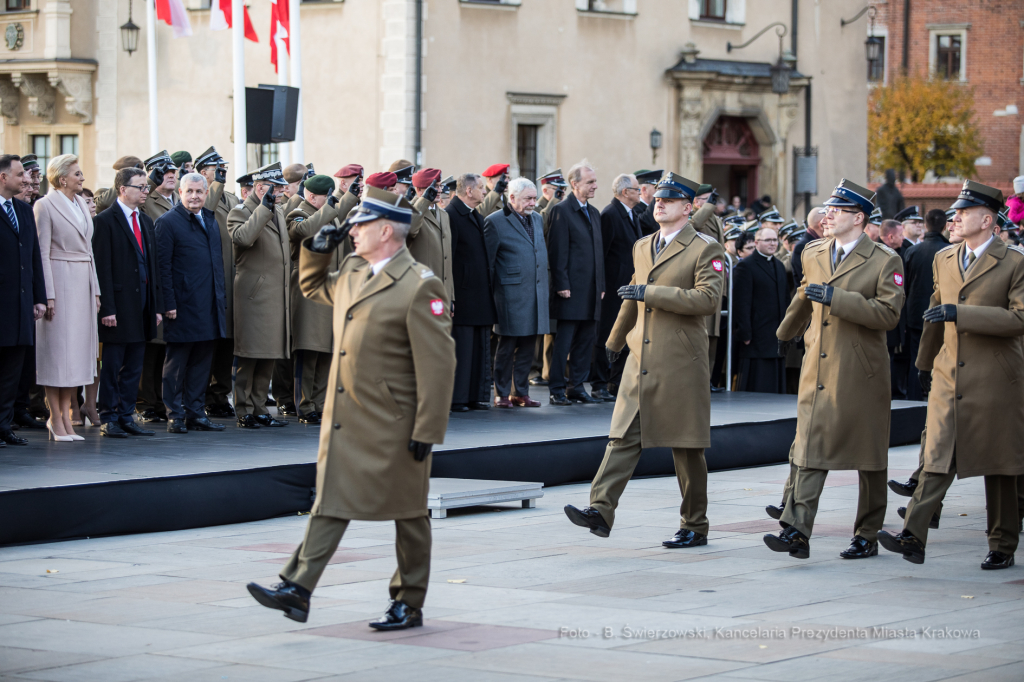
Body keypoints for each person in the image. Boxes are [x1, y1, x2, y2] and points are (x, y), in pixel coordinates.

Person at [246, 188, 456, 629]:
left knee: (409, 514)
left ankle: (408, 601)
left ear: (385, 231)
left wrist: (429, 429)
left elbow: (439, 365)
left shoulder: (420, 284)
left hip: (395, 423)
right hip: (347, 419)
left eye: (360, 226)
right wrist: (316, 253)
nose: (352, 232)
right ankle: (296, 588)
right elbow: (312, 287)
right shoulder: (354, 271)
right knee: (331, 502)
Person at [563, 172, 725, 547]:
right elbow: (632, 297)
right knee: (621, 438)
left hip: (681, 360)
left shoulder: (705, 248)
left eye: (668, 201)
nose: (659, 204)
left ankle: (694, 524)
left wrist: (653, 292)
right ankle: (600, 510)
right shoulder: (642, 245)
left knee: (686, 448)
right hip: (642, 357)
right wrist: (615, 339)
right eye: (658, 200)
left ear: (688, 208)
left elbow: (707, 300)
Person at [879, 180, 1024, 570]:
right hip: (948, 375)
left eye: (963, 212)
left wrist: (964, 315)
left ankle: (1002, 543)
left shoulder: (1014, 262)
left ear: (988, 219)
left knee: (999, 465)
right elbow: (933, 314)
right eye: (955, 212)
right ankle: (913, 534)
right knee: (936, 455)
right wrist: (925, 365)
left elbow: (1020, 318)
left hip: (995, 379)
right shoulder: (944, 258)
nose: (954, 217)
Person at [764, 179, 904, 561]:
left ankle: (867, 532)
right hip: (817, 367)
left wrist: (838, 298)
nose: (829, 215)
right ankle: (797, 531)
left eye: (838, 211)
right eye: (828, 209)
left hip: (861, 372)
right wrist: (785, 332)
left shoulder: (884, 260)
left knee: (868, 458)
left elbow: (888, 315)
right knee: (810, 447)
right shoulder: (813, 252)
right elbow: (804, 294)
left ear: (859, 218)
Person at [92, 167, 165, 438]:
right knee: (112, 365)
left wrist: (157, 305)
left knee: (135, 364)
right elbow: (102, 269)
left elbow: (153, 267)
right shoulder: (105, 221)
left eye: (146, 187)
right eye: (141, 187)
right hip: (118, 307)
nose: (146, 191)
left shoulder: (145, 221)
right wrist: (107, 308)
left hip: (143, 304)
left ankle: (126, 415)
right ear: (123, 189)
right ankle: (108, 416)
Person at [33, 154, 100, 442]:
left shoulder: (80, 205)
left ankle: (68, 419)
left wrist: (95, 289)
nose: (82, 178)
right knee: (57, 355)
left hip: (82, 283)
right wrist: (48, 295)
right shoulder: (44, 206)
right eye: (77, 174)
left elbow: (89, 250)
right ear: (62, 178)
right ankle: (56, 418)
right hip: (59, 283)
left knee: (75, 355)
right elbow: (42, 253)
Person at [154, 173, 227, 434]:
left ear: (206, 193)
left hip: (209, 304)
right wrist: (168, 303)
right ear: (180, 193)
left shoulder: (210, 219)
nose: (194, 196)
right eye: (189, 191)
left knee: (202, 362)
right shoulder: (167, 222)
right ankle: (175, 415)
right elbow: (162, 268)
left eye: (199, 191)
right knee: (177, 363)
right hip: (182, 305)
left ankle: (196, 413)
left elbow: (215, 263)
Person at [286, 174, 358, 424]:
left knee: (327, 349)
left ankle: (321, 403)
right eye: (324, 197)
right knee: (309, 350)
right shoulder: (298, 213)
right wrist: (331, 206)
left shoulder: (327, 212)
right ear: (311, 196)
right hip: (307, 290)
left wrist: (349, 197)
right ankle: (305, 406)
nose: (329, 202)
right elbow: (305, 231)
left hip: (329, 288)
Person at [227, 162, 292, 429]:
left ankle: (259, 407)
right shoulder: (240, 211)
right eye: (272, 188)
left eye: (278, 188)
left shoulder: (276, 211)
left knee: (269, 354)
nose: (277, 192)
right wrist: (264, 208)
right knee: (250, 354)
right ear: (258, 187)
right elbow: (243, 238)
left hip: (275, 296)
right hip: (254, 297)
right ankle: (243, 409)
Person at [485, 177, 549, 408]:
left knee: (529, 345)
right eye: (528, 198)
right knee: (507, 345)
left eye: (534, 197)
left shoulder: (538, 219)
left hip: (536, 292)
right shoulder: (495, 221)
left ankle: (520, 392)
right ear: (511, 198)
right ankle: (501, 393)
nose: (533, 202)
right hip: (509, 295)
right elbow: (489, 263)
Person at [546, 159, 605, 405]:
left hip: (592, 290)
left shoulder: (594, 212)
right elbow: (557, 252)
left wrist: (601, 286)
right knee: (565, 341)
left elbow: (598, 253)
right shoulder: (561, 211)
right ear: (574, 184)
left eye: (595, 181)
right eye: (590, 182)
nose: (595, 186)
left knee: (585, 341)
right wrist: (561, 284)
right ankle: (557, 388)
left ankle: (577, 387)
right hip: (570, 290)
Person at [0, 155, 46, 447]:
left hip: (20, 306)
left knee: (12, 373)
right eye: (20, 175)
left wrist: (39, 297)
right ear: (3, 177)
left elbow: (33, 257)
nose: (26, 181)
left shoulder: (24, 210)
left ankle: (3, 426)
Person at [194, 147, 239, 418]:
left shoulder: (231, 197)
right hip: (213, 279)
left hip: (232, 279)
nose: (222, 172)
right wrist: (217, 184)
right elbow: (207, 210)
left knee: (227, 343)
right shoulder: (203, 197)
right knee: (210, 342)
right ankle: (206, 396)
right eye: (216, 169)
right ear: (203, 173)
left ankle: (221, 394)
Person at [446, 173, 496, 412]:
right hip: (464, 294)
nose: (484, 191)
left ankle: (477, 395)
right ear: (468, 190)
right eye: (480, 187)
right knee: (463, 349)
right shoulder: (452, 215)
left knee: (479, 348)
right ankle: (458, 398)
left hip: (479, 293)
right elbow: (449, 259)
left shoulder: (474, 214)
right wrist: (451, 295)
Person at [137, 151, 179, 424]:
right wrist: (149, 184)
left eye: (174, 171)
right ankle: (145, 403)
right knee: (152, 347)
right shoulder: (146, 200)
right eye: (164, 171)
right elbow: (108, 201)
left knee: (168, 347)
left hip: (175, 280)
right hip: (153, 278)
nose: (171, 175)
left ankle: (165, 402)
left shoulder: (180, 199)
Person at [592, 173, 642, 401]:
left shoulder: (632, 214)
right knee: (607, 334)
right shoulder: (610, 215)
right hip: (613, 288)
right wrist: (602, 285)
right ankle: (600, 382)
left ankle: (616, 380)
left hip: (627, 287)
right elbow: (601, 254)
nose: (640, 192)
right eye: (637, 189)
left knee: (624, 332)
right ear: (625, 192)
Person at [900, 209, 949, 402]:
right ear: (945, 226)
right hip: (942, 314)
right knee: (941, 357)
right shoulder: (949, 251)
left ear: (925, 227)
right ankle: (938, 398)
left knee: (916, 359)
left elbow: (905, 286)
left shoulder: (913, 251)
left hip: (916, 314)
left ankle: (913, 400)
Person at [733, 227, 788, 393]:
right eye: (768, 240)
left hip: (776, 333)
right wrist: (745, 333)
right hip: (756, 335)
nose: (772, 244)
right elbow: (741, 303)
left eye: (775, 240)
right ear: (757, 243)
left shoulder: (779, 265)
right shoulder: (746, 266)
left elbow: (785, 299)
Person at [691, 184, 726, 389]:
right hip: (703, 281)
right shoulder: (696, 215)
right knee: (702, 333)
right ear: (696, 202)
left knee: (713, 335)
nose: (712, 202)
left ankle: (709, 380)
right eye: (707, 199)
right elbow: (694, 225)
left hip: (717, 282)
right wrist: (708, 206)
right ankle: (698, 379)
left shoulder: (715, 219)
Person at [408, 168, 454, 303]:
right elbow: (409, 230)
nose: (439, 190)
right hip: (422, 291)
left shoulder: (444, 215)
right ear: (419, 190)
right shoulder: (409, 210)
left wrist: (450, 297)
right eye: (434, 187)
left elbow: (447, 259)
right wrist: (424, 201)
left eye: (440, 186)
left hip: (442, 293)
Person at [879, 219, 912, 399]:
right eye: (900, 235)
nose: (903, 238)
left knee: (891, 357)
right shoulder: (880, 255)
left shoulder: (900, 253)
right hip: (881, 317)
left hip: (895, 317)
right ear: (890, 237)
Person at [632, 169, 662, 236]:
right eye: (656, 188)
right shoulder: (634, 207)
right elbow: (645, 222)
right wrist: (658, 197)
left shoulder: (654, 207)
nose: (660, 192)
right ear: (644, 190)